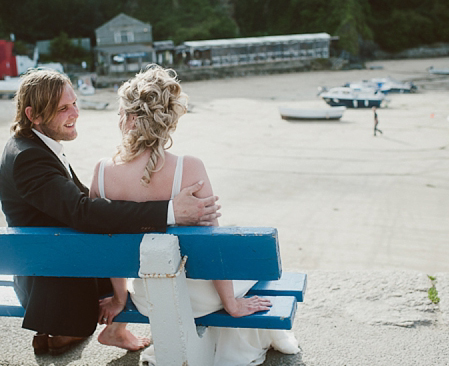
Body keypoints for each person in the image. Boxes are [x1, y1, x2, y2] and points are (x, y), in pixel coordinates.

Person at [0, 68, 220, 356]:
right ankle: (67, 330)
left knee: (116, 247)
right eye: (63, 109)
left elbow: (75, 204)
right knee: (116, 248)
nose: (75, 113)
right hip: (52, 280)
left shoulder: (31, 146)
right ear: (34, 115)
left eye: (74, 103)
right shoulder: (29, 158)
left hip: (47, 256)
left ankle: (112, 328)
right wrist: (169, 211)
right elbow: (82, 212)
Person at [89, 65, 300, 365]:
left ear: (133, 119)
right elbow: (212, 247)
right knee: (248, 263)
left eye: (121, 112)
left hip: (149, 299)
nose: (118, 118)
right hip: (197, 299)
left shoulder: (101, 173)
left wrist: (120, 299)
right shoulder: (189, 168)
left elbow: (108, 244)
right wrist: (231, 304)